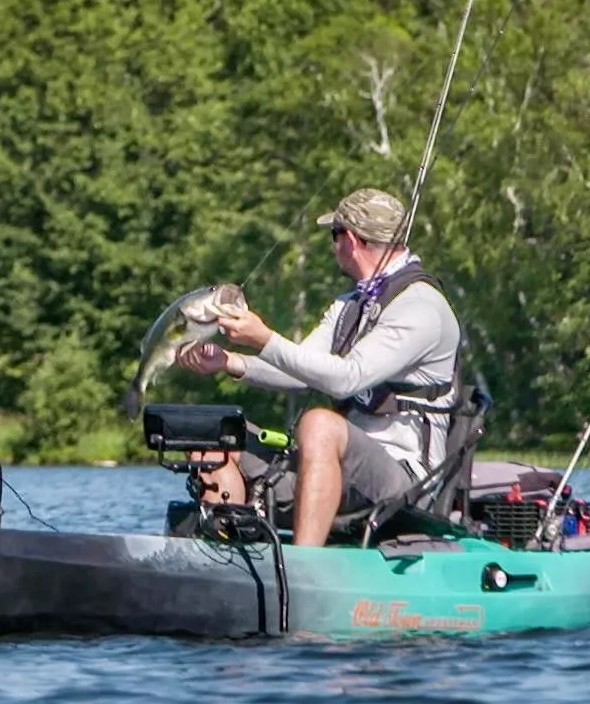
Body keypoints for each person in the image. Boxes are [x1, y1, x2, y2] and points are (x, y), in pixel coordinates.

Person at [176, 187, 461, 546]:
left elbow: (346, 379)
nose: (333, 246)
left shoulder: (421, 307)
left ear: (351, 241)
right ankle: (218, 557)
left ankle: (303, 568)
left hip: (405, 483)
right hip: (333, 472)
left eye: (334, 235)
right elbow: (299, 371)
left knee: (320, 425)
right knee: (213, 433)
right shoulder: (351, 304)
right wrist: (229, 361)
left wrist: (263, 338)